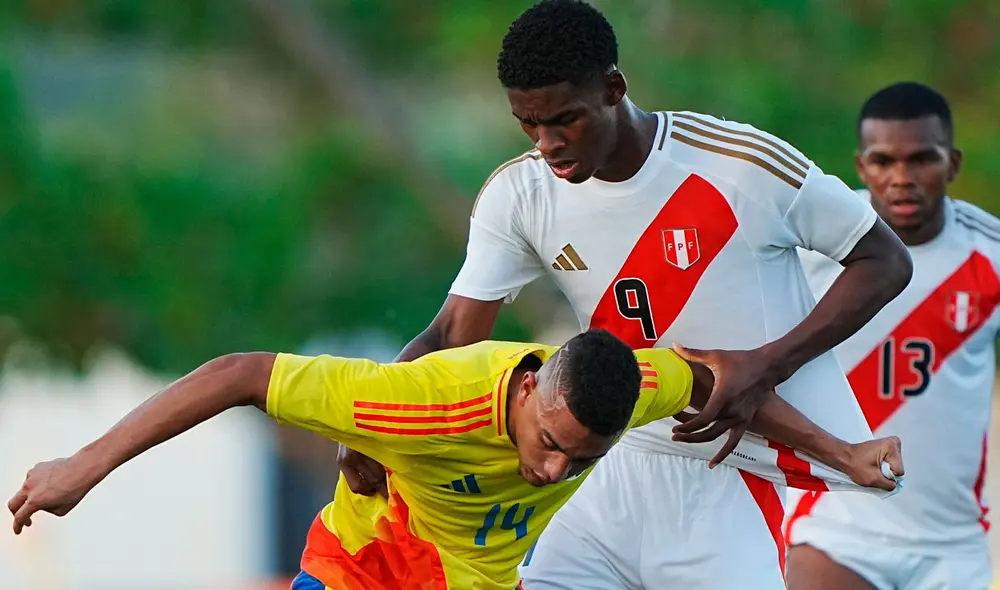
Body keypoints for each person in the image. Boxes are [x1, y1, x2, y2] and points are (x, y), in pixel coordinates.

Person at [337, 1, 913, 588]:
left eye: (564, 120)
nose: (547, 143)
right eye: (529, 124)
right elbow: (451, 333)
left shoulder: (739, 165)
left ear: (613, 89)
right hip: (601, 466)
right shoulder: (521, 194)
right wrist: (373, 425)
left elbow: (886, 261)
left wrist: (768, 363)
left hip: (727, 476)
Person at [8, 330, 901, 590]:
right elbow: (238, 373)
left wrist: (843, 452)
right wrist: (82, 467)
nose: (553, 472)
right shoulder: (423, 404)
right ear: (529, 391)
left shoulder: (626, 387)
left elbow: (725, 381)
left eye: (580, 460)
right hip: (369, 566)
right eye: (549, 445)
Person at [785, 82, 997, 590]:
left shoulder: (989, 251)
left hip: (953, 544)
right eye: (884, 161)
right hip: (833, 526)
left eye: (922, 159)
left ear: (952, 164)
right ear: (861, 167)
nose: (902, 178)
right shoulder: (814, 246)